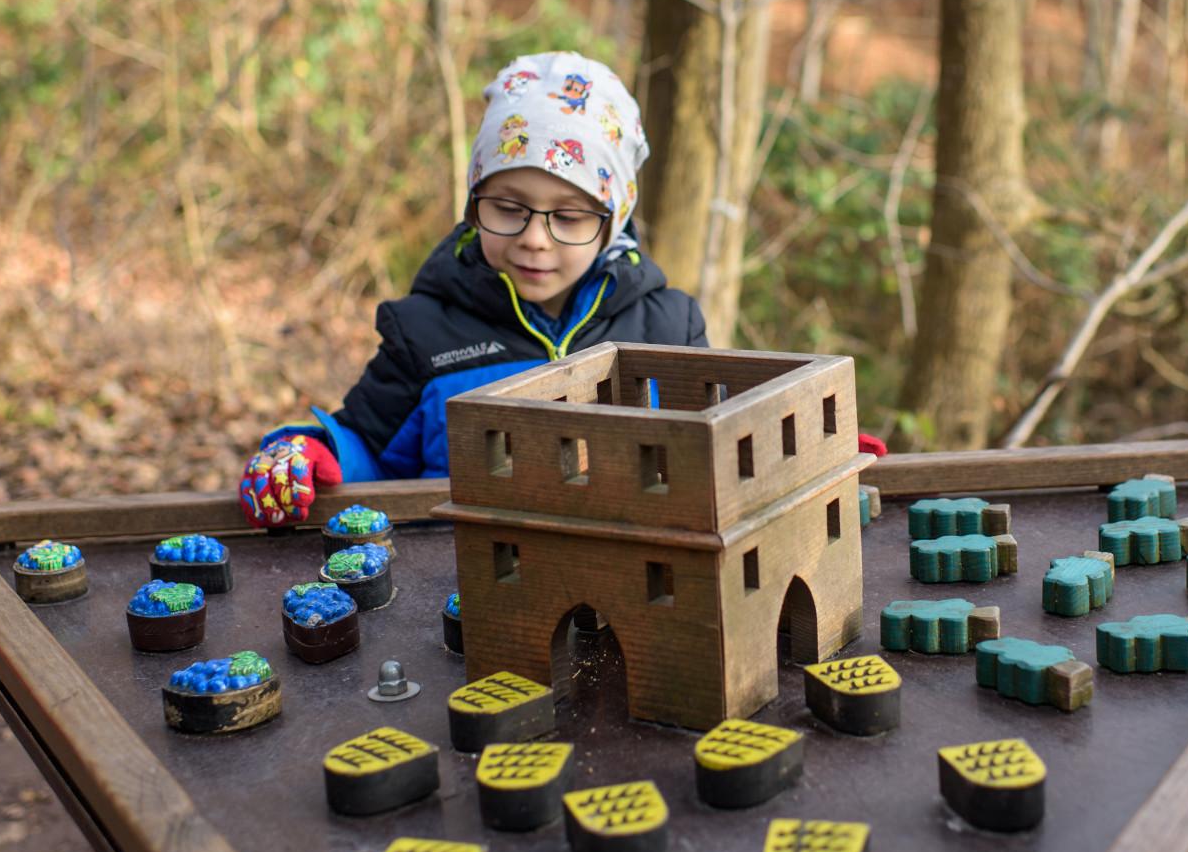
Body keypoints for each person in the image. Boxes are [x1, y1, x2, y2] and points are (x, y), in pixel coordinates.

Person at [238, 51, 885, 527]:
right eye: (508, 207)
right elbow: (368, 450)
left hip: (643, 568)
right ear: (473, 203)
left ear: (614, 224)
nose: (535, 240)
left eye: (570, 217)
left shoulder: (667, 323)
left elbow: (720, 441)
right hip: (455, 584)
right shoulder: (425, 332)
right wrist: (313, 452)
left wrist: (805, 453)